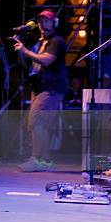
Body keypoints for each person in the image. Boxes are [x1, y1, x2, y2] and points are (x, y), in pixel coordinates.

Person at [13, 10, 68, 171]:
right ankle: (45, 161)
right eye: (41, 21)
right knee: (41, 125)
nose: (43, 24)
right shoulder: (39, 42)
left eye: (47, 21)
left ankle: (37, 159)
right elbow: (30, 66)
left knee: (36, 122)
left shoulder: (56, 41)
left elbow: (47, 60)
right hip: (40, 88)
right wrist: (21, 52)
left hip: (51, 89)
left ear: (54, 23)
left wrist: (26, 51)